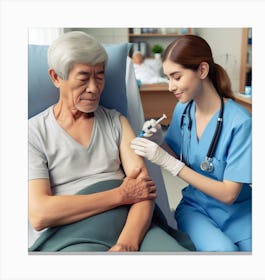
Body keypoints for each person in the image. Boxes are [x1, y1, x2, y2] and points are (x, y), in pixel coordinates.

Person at [28, 31, 195, 252]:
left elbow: (144, 191)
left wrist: (127, 243)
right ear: (57, 77)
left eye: (99, 76)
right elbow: (40, 213)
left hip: (133, 226)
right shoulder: (33, 133)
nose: (94, 88)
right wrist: (120, 195)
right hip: (73, 235)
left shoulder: (116, 122)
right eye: (83, 77)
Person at [131, 34, 252, 252]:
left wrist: (170, 164)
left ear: (202, 71)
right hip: (196, 208)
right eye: (168, 78)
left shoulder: (240, 122)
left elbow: (228, 194)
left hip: (240, 212)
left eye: (176, 77)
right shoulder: (183, 111)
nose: (170, 87)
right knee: (226, 254)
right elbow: (177, 154)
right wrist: (159, 141)